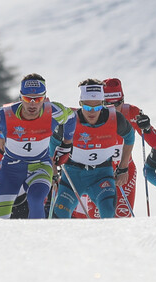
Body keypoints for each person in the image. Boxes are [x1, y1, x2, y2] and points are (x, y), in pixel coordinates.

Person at [0, 73, 76, 219]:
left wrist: (67, 144)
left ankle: (37, 239)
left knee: (36, 200)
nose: (32, 104)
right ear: (20, 98)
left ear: (44, 98)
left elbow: (71, 118)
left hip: (40, 166)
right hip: (11, 168)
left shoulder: (54, 112)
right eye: (27, 99)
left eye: (37, 99)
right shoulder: (5, 115)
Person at [80, 77, 156, 218]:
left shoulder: (131, 112)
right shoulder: (91, 115)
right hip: (97, 174)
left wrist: (147, 128)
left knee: (122, 219)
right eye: (107, 104)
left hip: (124, 173)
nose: (113, 108)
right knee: (96, 220)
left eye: (117, 103)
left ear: (123, 100)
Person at [51, 78, 135, 219]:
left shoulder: (115, 118)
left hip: (101, 175)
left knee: (108, 211)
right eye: (87, 107)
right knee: (60, 213)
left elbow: (130, 137)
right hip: (73, 175)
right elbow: (53, 142)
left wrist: (123, 166)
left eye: (96, 107)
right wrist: (53, 167)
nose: (92, 112)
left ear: (103, 104)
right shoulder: (70, 120)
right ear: (80, 104)